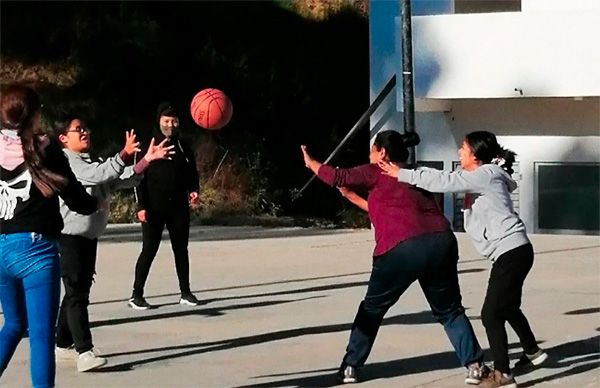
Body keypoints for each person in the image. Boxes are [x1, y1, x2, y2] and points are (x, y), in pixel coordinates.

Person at [300, 130, 487, 385]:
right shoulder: (413, 174)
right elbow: (386, 208)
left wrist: (311, 162)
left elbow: (337, 176)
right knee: (450, 310)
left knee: (372, 310)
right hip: (440, 241)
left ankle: (351, 367)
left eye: (372, 149)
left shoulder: (376, 170)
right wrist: (353, 197)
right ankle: (474, 366)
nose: (369, 154)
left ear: (382, 153)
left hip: (401, 249)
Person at [379, 130, 548, 388]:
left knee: (491, 314)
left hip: (511, 252)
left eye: (463, 147)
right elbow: (451, 179)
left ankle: (503, 375)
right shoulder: (481, 176)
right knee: (507, 307)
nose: (459, 152)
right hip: (513, 251)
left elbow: (445, 180)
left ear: (476, 155)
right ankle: (532, 352)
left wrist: (402, 174)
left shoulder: (484, 175)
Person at [53, 116, 174, 372]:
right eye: (78, 130)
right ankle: (84, 351)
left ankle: (62, 344)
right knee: (76, 293)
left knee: (78, 291)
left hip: (88, 237)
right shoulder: (66, 161)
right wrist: (122, 154)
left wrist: (145, 161)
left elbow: (121, 178)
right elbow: (96, 175)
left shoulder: (92, 160)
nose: (84, 132)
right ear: (63, 138)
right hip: (68, 236)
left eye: (85, 128)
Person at [0, 84, 97, 387]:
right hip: (36, 250)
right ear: (35, 114)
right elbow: (74, 195)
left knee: (14, 324)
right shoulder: (45, 147)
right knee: (41, 337)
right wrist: (94, 203)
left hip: (1, 250)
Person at [129, 101, 201, 309]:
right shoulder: (148, 144)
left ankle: (185, 293)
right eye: (166, 121)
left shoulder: (183, 146)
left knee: (181, 249)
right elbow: (137, 177)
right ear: (159, 121)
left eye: (174, 121)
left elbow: (191, 172)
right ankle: (136, 295)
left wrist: (194, 188)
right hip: (153, 206)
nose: (171, 125)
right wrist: (140, 206)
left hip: (178, 206)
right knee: (149, 250)